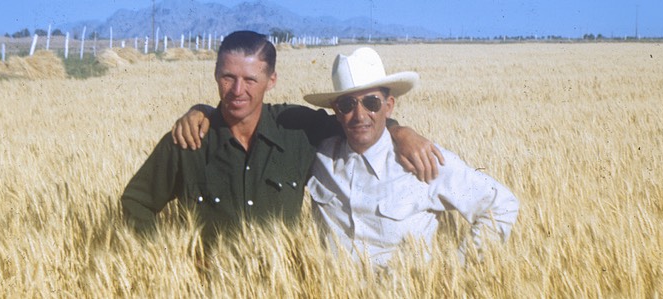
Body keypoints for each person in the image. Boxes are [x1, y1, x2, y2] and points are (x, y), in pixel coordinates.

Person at [120, 31, 442, 246]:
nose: (237, 91)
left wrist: (399, 131)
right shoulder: (189, 140)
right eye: (228, 77)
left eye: (250, 79)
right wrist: (170, 260)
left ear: (271, 80)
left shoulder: (297, 128)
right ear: (216, 75)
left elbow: (357, 123)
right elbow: (136, 202)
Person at [302, 47, 520, 268]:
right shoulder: (319, 157)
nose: (359, 115)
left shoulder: (423, 160)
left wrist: (459, 269)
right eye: (348, 105)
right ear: (336, 112)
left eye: (371, 103)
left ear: (389, 107)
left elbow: (501, 204)